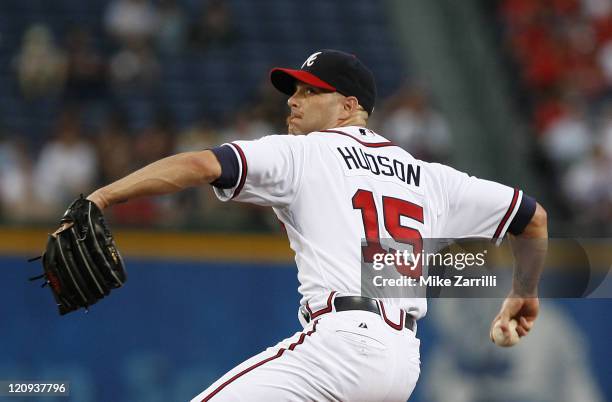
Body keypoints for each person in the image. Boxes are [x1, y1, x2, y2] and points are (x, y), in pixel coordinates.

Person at [86, 49, 548, 401]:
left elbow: (201, 164)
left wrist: (102, 196)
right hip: (403, 365)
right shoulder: (431, 178)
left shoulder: (306, 153)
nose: (294, 101)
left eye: (310, 91)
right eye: (295, 91)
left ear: (348, 107)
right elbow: (533, 218)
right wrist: (523, 293)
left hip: (342, 346)